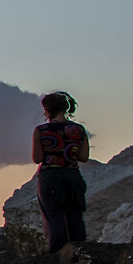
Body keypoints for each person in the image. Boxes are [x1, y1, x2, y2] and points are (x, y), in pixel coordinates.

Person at [32, 91, 90, 252]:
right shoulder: (79, 130)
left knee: (54, 219)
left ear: (47, 110)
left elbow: (37, 158)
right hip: (72, 175)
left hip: (50, 177)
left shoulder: (41, 130)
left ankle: (57, 258)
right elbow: (83, 157)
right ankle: (80, 254)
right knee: (76, 219)